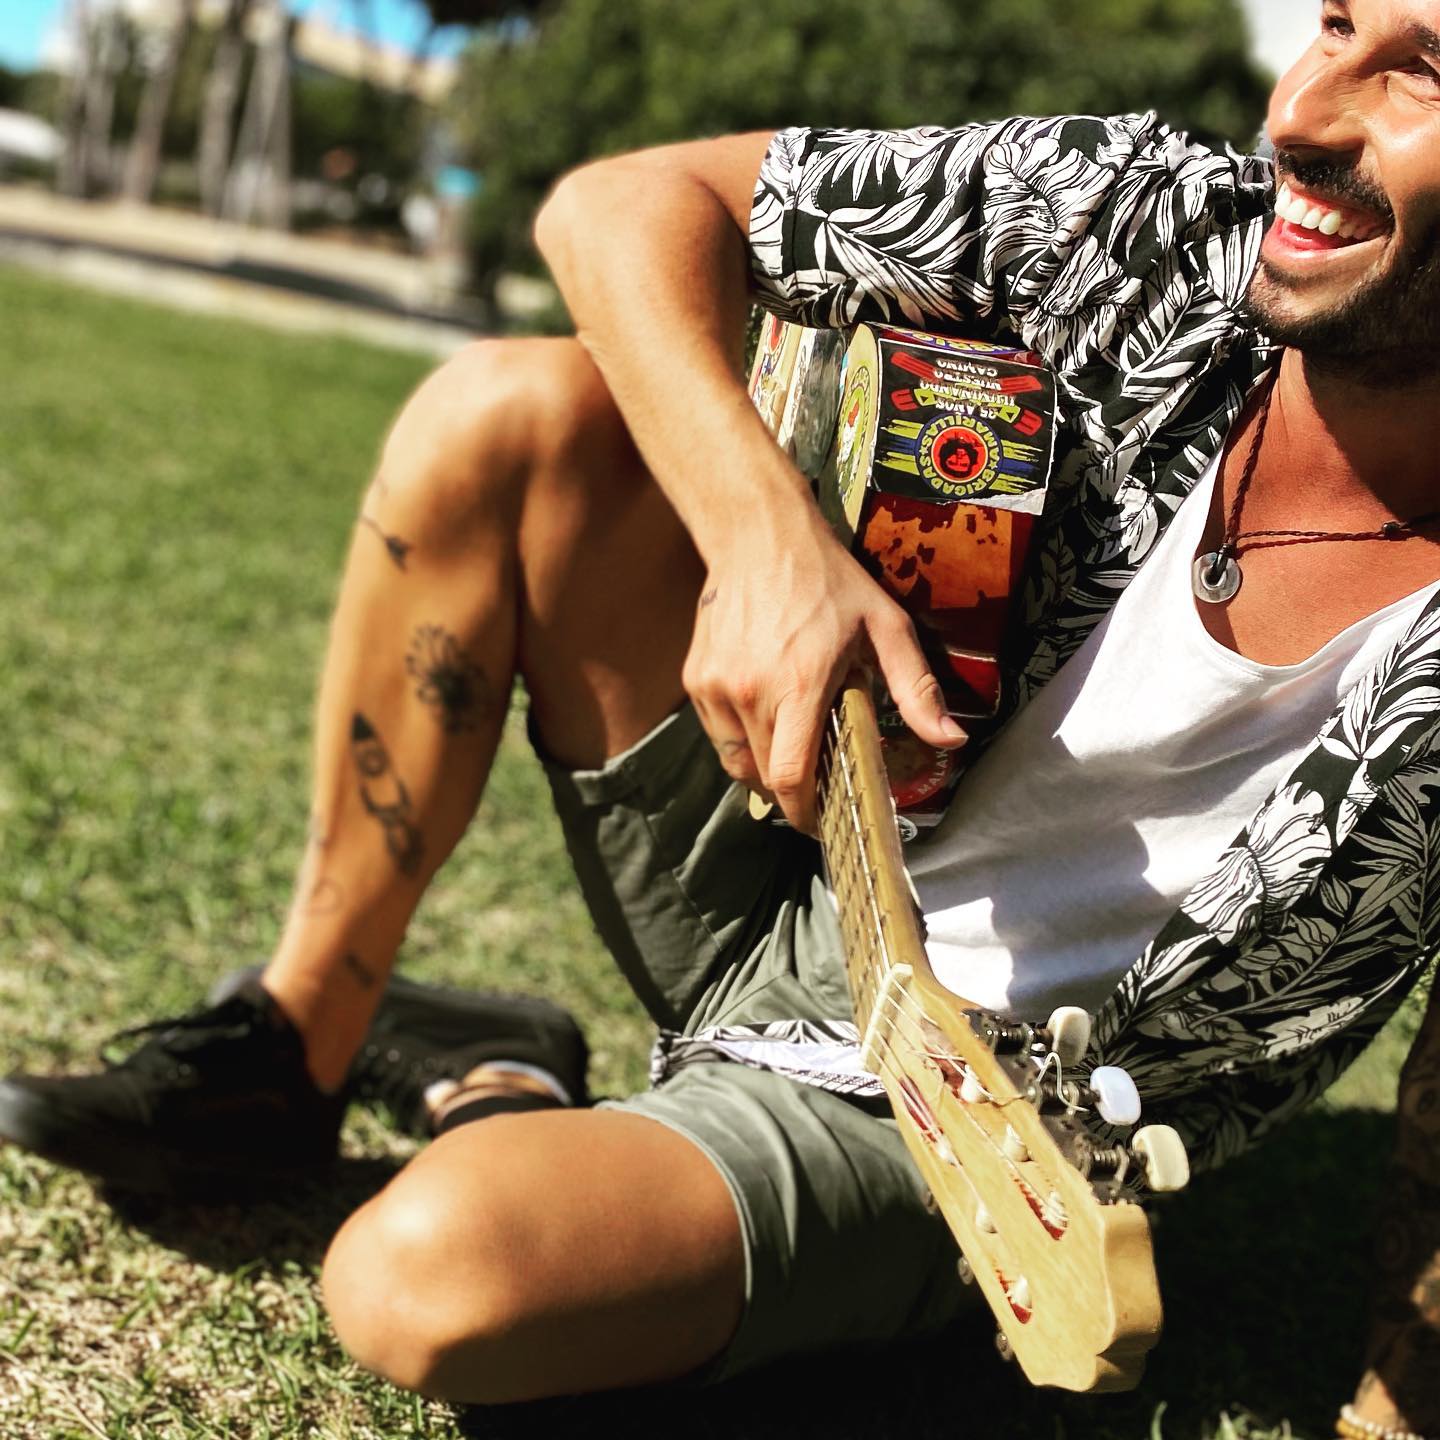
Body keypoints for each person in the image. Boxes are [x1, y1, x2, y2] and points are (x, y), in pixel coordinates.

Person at [4, 0, 1440, 1430]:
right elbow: (616, 204)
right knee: (506, 413)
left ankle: (496, 1083)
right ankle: (296, 1041)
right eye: (1329, 25)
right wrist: (765, 545)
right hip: (804, 814)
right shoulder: (1155, 224)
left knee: (424, 1278)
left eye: (1421, 71)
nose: (1302, 112)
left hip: (957, 1123)